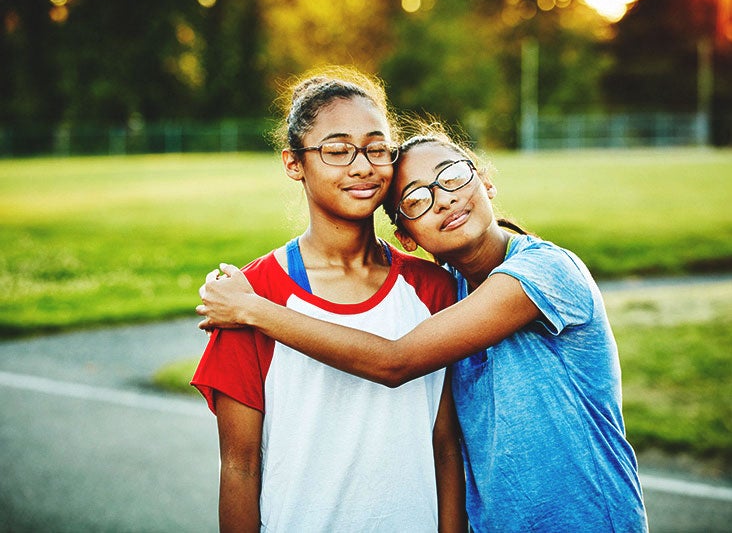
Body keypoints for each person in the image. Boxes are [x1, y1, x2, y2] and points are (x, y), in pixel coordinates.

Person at [198, 126, 649, 532]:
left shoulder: (545, 271)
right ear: (407, 238)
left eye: (452, 176)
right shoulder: (442, 291)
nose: (445, 198)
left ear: (486, 181)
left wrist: (253, 309)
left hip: (589, 521)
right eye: (416, 200)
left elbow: (396, 361)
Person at [191, 70, 467, 532]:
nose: (362, 166)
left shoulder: (432, 288)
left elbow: (445, 445)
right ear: (293, 163)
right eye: (337, 151)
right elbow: (240, 468)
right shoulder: (250, 296)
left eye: (377, 149)